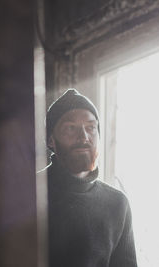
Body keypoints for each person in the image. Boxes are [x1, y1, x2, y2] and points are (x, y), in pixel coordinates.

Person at [44, 88, 137, 267]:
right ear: (50, 139)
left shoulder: (117, 204)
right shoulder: (28, 194)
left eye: (91, 128)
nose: (83, 136)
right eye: (71, 128)